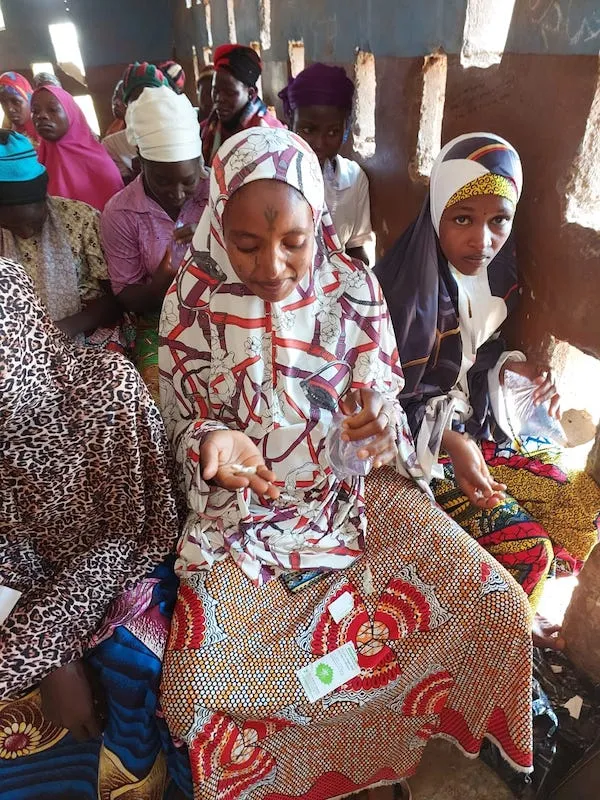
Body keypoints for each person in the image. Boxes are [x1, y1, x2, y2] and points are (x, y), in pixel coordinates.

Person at [158, 128, 533, 800]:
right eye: (247, 244)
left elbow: (386, 397)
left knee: (493, 599)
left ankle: (384, 740)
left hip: (347, 499)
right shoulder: (192, 302)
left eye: (294, 242)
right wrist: (212, 444)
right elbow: (182, 421)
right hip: (244, 522)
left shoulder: (353, 287)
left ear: (319, 224)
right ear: (218, 222)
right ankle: (305, 759)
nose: (272, 265)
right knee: (194, 692)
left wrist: (376, 427)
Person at [374, 132, 600, 624]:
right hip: (416, 456)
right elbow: (380, 406)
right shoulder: (401, 295)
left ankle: (502, 601)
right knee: (531, 551)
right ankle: (495, 640)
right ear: (436, 213)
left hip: (473, 431)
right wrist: (454, 442)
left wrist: (508, 370)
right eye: (462, 219)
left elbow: (476, 355)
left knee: (582, 512)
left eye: (500, 220)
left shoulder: (493, 275)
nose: (483, 240)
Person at [0, 257, 183, 798]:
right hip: (30, 595)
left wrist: (45, 645)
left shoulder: (104, 390)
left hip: (121, 568)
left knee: (132, 657)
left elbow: (130, 537)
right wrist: (56, 657)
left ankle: (133, 773)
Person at [101, 85, 210, 401]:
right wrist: (162, 282)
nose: (177, 193)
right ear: (139, 164)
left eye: (188, 180)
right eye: (162, 180)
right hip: (159, 316)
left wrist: (214, 240)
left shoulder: (216, 194)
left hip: (222, 308)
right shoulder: (121, 212)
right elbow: (127, 298)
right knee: (160, 393)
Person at [0, 129, 123, 348]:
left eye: (33, 221)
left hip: (87, 331)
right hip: (19, 344)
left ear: (43, 197)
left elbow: (116, 297)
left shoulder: (80, 220)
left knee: (118, 379)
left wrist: (61, 329)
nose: (25, 233)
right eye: (10, 226)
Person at [280, 62, 373, 265]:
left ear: (346, 127)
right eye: (307, 130)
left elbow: (356, 247)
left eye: (332, 132)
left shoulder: (353, 179)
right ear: (289, 119)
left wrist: (365, 284)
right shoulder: (273, 177)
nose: (319, 144)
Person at [31, 85, 123, 211]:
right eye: (35, 111)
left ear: (71, 113)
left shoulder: (98, 164)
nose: (41, 116)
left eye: (52, 109)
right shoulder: (34, 164)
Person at [201, 43, 284, 166]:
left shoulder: (267, 135)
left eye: (229, 93)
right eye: (216, 90)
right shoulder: (208, 127)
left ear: (250, 93)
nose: (219, 99)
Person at [0, 72, 39, 147]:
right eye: (3, 102)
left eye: (16, 102)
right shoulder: (8, 131)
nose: (10, 109)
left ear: (29, 99)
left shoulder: (47, 131)